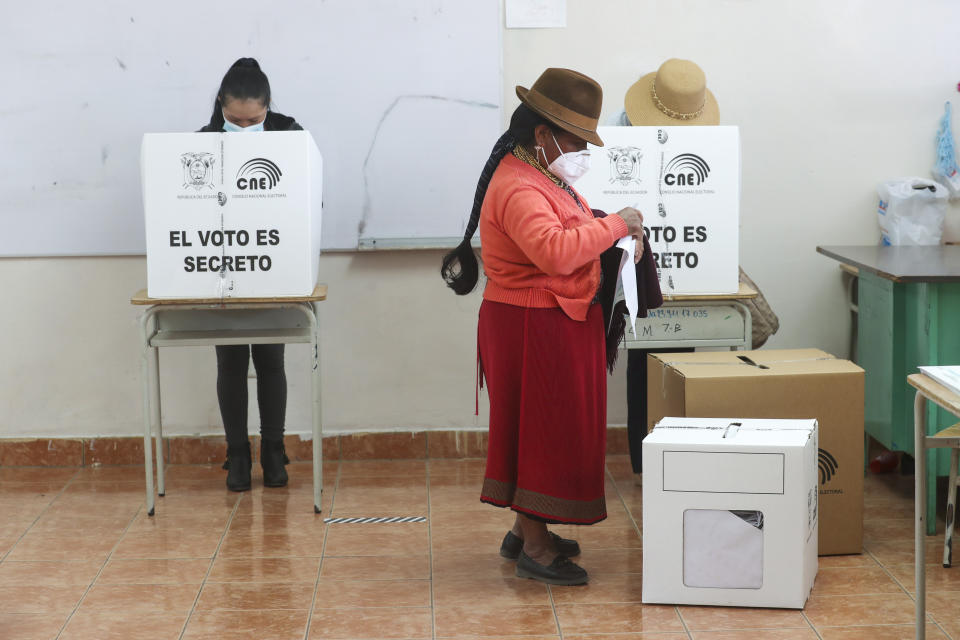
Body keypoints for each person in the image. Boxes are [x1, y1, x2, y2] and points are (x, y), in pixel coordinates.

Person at [441, 68, 645, 586]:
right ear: (542, 134)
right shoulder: (518, 186)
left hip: (546, 318)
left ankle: (525, 530)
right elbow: (554, 252)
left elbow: (569, 229)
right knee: (541, 433)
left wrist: (611, 236)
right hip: (531, 323)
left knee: (542, 429)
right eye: (577, 141)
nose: (583, 151)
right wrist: (618, 224)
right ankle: (535, 546)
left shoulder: (539, 173)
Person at [613, 59, 778, 483]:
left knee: (676, 354)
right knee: (643, 354)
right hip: (635, 257)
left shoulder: (707, 146)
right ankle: (648, 459)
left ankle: (671, 451)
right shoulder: (620, 134)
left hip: (683, 261)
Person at [199, 57, 304, 491]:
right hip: (224, 267)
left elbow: (305, 196)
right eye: (234, 119)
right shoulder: (202, 142)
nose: (243, 127)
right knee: (230, 361)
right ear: (221, 104)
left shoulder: (291, 135)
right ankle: (237, 455)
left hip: (272, 264)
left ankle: (273, 453)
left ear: (268, 108)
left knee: (270, 358)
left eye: (254, 120)